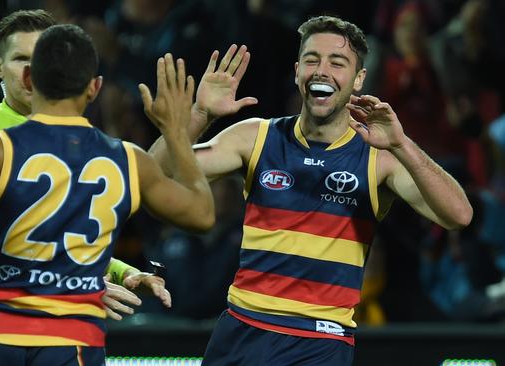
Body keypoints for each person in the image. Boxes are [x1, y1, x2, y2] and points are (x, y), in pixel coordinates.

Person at [150, 15, 473, 365]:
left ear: (358, 79)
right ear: (297, 71)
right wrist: (200, 113)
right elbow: (153, 175)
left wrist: (402, 144)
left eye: (337, 63)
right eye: (312, 60)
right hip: (242, 329)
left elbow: (459, 215)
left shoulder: (380, 158)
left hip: (319, 342)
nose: (322, 70)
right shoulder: (256, 136)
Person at [0, 23, 214, 365]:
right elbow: (201, 215)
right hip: (72, 340)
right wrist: (176, 132)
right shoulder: (125, 157)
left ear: (32, 79)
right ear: (95, 87)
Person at [0, 9, 169, 329]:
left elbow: (60, 242)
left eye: (41, 58)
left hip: (64, 321)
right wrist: (81, 283)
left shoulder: (70, 138)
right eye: (20, 58)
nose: (31, 71)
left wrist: (121, 271)